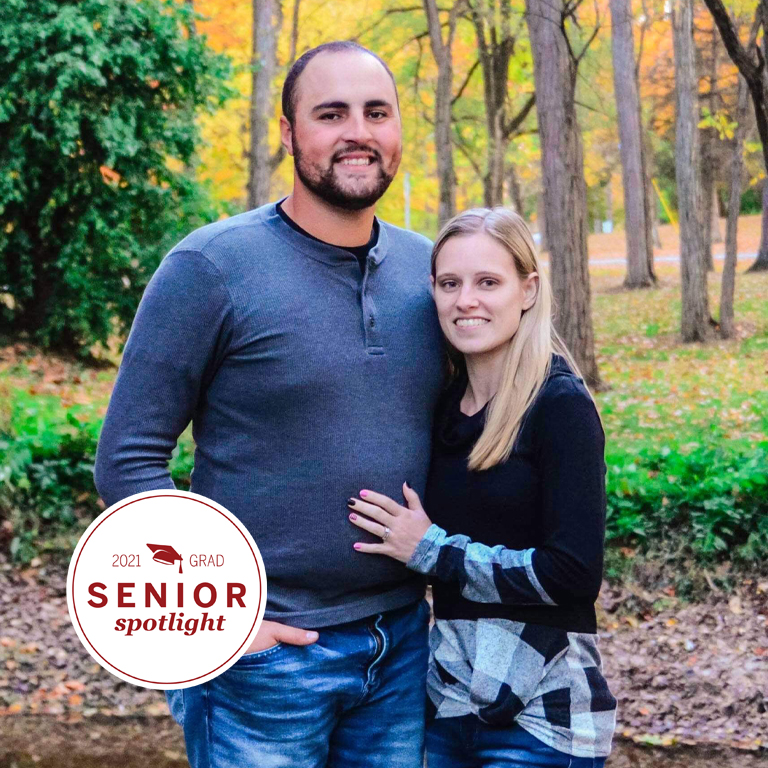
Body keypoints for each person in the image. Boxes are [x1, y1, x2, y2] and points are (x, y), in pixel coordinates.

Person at [94, 41, 445, 768]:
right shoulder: (211, 267)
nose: (359, 131)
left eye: (377, 112)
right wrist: (221, 621)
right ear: (289, 134)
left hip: (404, 646)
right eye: (331, 113)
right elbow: (128, 458)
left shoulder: (430, 271)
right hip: (264, 660)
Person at [348, 207, 617, 767]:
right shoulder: (445, 407)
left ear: (528, 289)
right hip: (450, 707)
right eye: (450, 283)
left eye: (487, 282)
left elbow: (573, 573)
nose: (465, 299)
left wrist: (431, 550)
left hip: (544, 719)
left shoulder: (559, 406)